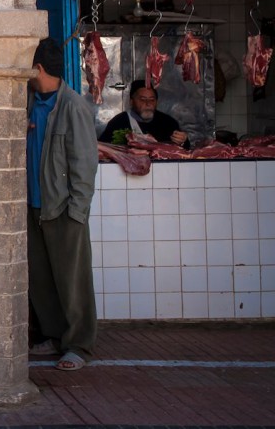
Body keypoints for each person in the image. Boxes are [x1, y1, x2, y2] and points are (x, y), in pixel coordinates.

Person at [26, 38, 99, 371]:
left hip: (63, 209)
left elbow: (84, 165)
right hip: (35, 208)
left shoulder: (73, 106)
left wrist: (78, 212)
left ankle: (78, 345)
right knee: (42, 279)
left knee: (73, 281)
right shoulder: (29, 103)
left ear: (38, 68)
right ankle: (54, 336)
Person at [98, 79, 188, 146]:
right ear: (132, 102)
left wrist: (183, 140)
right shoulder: (119, 122)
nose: (148, 104)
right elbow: (103, 147)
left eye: (152, 100)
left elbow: (185, 150)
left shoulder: (168, 122)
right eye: (142, 99)